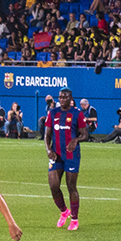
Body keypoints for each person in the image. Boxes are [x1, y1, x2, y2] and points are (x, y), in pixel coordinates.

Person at [44, 88, 88, 231]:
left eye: (65, 97)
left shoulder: (77, 114)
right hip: (56, 155)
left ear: (71, 98)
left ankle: (74, 219)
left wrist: (76, 140)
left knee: (71, 186)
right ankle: (64, 211)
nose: (62, 99)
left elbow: (85, 134)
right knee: (53, 185)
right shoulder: (52, 113)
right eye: (60, 97)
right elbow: (47, 135)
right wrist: (48, 150)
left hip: (71, 155)